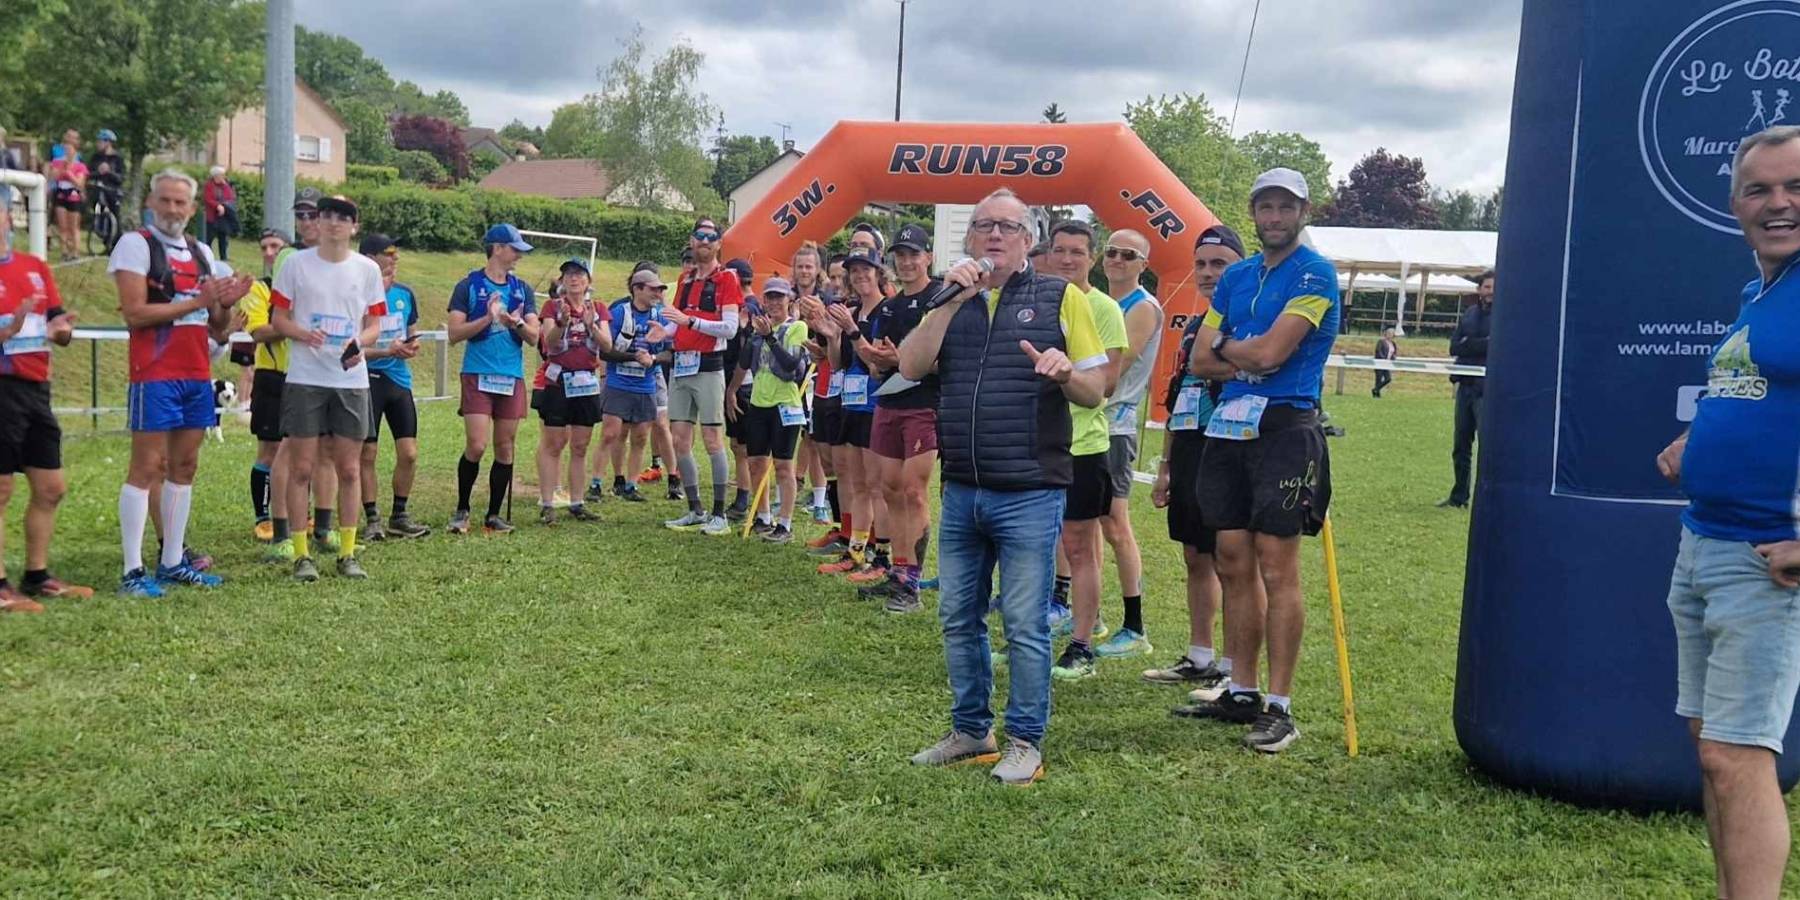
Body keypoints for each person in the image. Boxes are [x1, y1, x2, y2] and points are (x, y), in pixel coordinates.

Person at [898, 188, 1109, 786]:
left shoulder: (1062, 297)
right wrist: (947, 304)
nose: (994, 235)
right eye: (983, 225)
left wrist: (1065, 372)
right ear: (969, 238)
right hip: (963, 488)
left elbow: (1096, 390)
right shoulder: (950, 296)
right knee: (957, 617)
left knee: (1023, 623)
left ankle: (1025, 741)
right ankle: (971, 730)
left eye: (1008, 227)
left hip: (1030, 490)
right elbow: (910, 366)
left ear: (1028, 239)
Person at [1657, 126, 1800, 900]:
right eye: (1759, 189)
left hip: (1768, 562)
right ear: (1735, 204)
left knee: (1737, 755)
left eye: (1796, 186)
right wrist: (1698, 439)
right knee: (1713, 747)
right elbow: (1759, 391)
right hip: (1705, 546)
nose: (1779, 203)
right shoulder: (1763, 294)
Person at [1185, 168, 1339, 754]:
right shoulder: (1237, 275)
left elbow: (1275, 352)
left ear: (1303, 211)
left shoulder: (1315, 273)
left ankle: (1280, 707)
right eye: (1265, 207)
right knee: (1231, 559)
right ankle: (1242, 690)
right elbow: (1199, 360)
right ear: (1253, 213)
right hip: (1229, 426)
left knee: (1277, 566)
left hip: (1286, 429)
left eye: (1285, 207)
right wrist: (1240, 354)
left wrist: (1230, 345)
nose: (1274, 217)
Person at [109, 168, 253, 597]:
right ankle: (132, 570)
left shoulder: (201, 252)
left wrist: (224, 305)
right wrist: (197, 301)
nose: (172, 209)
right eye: (165, 200)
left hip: (196, 372)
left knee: (185, 466)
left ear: (192, 209)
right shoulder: (136, 244)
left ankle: (172, 561)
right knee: (146, 467)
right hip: (155, 372)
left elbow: (215, 324)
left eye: (180, 203)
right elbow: (134, 313)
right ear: (151, 203)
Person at [1149, 225, 1250, 707]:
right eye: (1202, 264)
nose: (1208, 273)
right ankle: (1199, 655)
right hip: (1189, 448)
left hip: (1232, 448)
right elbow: (1177, 397)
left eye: (1219, 264)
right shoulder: (1195, 325)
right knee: (1195, 554)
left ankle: (1234, 669)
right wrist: (1166, 465)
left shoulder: (1248, 321)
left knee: (1232, 561)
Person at [269, 195, 389, 581]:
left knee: (349, 468)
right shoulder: (295, 264)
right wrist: (304, 333)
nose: (334, 222)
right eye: (327, 215)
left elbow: (375, 324)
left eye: (343, 217)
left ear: (355, 226)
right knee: (301, 467)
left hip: (350, 379)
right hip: (306, 377)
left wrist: (359, 343)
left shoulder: (367, 269)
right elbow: (279, 318)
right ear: (317, 222)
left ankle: (347, 553)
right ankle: (301, 555)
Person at [1041, 220, 1128, 681]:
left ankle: (1082, 645)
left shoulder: (1104, 308)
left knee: (1080, 548)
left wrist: (1063, 372)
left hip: (1083, 444)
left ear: (1091, 258)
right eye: (1060, 250)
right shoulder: (1037, 300)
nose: (1067, 259)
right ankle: (1029, 636)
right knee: (1033, 546)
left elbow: (1107, 383)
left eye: (1077, 251)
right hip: (1036, 442)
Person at [0, 191, 91, 612]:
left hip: (36, 389)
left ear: (8, 218)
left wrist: (62, 330)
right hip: (2, 387)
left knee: (51, 488)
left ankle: (36, 576)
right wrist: (8, 330)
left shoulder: (35, 267)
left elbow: (58, 326)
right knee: (1, 488)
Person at [855, 224, 942, 613]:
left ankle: (912, 585)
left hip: (924, 405)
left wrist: (901, 359)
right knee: (889, 488)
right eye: (901, 255)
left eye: (914, 254)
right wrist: (873, 356)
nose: (906, 262)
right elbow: (877, 366)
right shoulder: (889, 307)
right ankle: (900, 569)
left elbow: (951, 361)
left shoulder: (940, 299)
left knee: (913, 491)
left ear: (929, 258)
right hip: (888, 404)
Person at [1095, 228, 1164, 659]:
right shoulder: (1100, 302)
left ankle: (1135, 626)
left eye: (1128, 254)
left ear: (1143, 265)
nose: (1117, 260)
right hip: (1088, 425)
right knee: (1082, 525)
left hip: (1114, 428)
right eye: (1112, 252)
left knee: (1116, 525)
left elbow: (1113, 368)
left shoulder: (1142, 307)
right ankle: (1086, 613)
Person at [446, 224, 540, 535]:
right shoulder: (468, 286)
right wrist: (487, 318)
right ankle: (462, 510)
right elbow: (454, 333)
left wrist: (515, 323)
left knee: (505, 446)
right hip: (477, 373)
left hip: (510, 376)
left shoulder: (522, 290)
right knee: (476, 444)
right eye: (515, 249)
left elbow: (534, 337)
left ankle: (494, 515)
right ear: (497, 248)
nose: (519, 256)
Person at [662, 217, 743, 536]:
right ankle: (695, 509)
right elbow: (676, 321)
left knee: (711, 439)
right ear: (692, 240)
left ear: (719, 243)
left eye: (711, 237)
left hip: (709, 366)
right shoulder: (684, 278)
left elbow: (730, 328)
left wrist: (691, 323)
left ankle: (720, 514)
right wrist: (663, 332)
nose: (705, 241)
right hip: (681, 365)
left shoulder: (727, 278)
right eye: (700, 236)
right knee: (679, 439)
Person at [815, 247, 891, 581]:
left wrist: (852, 329)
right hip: (851, 403)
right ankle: (856, 551)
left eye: (866, 270)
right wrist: (833, 336)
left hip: (876, 405)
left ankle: (883, 557)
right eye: (854, 271)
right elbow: (837, 365)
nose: (860, 276)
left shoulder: (887, 310)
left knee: (876, 486)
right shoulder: (852, 310)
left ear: (879, 272)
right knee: (858, 484)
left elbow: (878, 365)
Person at [357, 234, 430, 540]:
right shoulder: (357, 294)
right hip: (367, 380)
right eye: (389, 252)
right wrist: (386, 351)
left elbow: (413, 334)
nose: (395, 257)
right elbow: (353, 348)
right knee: (368, 453)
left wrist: (411, 347)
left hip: (399, 381)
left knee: (409, 453)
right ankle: (372, 519)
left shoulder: (405, 293)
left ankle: (399, 515)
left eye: (396, 252)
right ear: (370, 258)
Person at [729, 276, 809, 543]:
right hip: (758, 403)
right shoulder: (758, 328)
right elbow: (744, 362)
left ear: (789, 300)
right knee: (756, 463)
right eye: (770, 297)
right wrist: (748, 333)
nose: (774, 302)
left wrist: (769, 337)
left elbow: (790, 365)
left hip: (785, 404)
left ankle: (785, 523)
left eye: (779, 297)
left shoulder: (797, 327)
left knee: (784, 466)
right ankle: (763, 517)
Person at [531, 258, 610, 525]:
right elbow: (549, 341)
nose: (574, 279)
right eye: (569, 274)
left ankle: (577, 502)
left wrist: (591, 325)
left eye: (579, 274)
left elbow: (607, 345)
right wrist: (562, 323)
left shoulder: (598, 308)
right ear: (562, 281)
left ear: (588, 280)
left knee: (580, 445)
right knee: (553, 443)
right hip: (558, 382)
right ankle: (548, 503)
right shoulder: (552, 307)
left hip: (586, 383)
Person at [601, 269, 673, 501]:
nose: (658, 293)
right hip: (618, 383)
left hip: (646, 385)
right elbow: (605, 350)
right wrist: (634, 357)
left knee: (641, 436)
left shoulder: (660, 315)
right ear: (637, 288)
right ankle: (610, 481)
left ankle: (631, 486)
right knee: (613, 433)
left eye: (660, 289)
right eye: (653, 289)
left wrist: (653, 359)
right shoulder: (619, 312)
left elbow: (670, 351)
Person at [244, 229, 289, 544]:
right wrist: (293, 326)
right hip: (271, 376)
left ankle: (301, 512)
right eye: (264, 247)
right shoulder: (260, 288)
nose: (269, 253)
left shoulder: (304, 286)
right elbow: (258, 332)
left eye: (275, 246)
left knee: (303, 450)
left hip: (304, 376)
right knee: (269, 450)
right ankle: (263, 517)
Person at [1439, 270, 1493, 508]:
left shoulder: (1505, 315)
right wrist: (1476, 345)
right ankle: (1459, 496)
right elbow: (1454, 347)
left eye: (1494, 287)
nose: (1490, 291)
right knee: (1461, 445)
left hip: (1487, 390)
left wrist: (1468, 344)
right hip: (1465, 386)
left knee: (1487, 446)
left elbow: (1495, 346)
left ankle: (1487, 498)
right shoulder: (1469, 313)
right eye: (1487, 287)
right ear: (1479, 289)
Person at [721, 258, 759, 522]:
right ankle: (744, 497)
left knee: (744, 446)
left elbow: (746, 354)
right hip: (736, 381)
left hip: (743, 383)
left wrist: (732, 389)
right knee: (738, 444)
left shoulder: (748, 308)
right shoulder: (743, 305)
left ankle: (747, 499)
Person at [45, 131, 86, 262]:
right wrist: (62, 168)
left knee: (73, 226)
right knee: (62, 226)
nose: (68, 152)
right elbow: (53, 177)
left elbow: (80, 183)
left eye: (70, 149)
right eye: (66, 149)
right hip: (61, 194)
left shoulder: (80, 166)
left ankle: (75, 251)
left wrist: (70, 174)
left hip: (73, 196)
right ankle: (64, 251)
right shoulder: (58, 162)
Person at [201, 166, 236, 261]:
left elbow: (231, 197)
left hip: (223, 218)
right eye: (221, 175)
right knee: (209, 239)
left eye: (223, 175)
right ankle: (207, 257)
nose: (223, 177)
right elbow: (208, 199)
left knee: (223, 238)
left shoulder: (226, 185)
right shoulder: (209, 185)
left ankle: (223, 258)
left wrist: (225, 186)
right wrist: (217, 206)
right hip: (212, 217)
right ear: (215, 176)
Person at [1373, 325, 1397, 397]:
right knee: (1378, 379)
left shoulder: (1393, 343)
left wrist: (1393, 359)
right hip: (1380, 363)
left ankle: (1375, 389)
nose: (1390, 335)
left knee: (1388, 379)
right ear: (1386, 333)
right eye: (1389, 333)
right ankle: (1377, 394)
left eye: (1391, 333)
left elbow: (1393, 353)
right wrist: (1383, 359)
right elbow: (1378, 351)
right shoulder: (1381, 341)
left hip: (1387, 364)